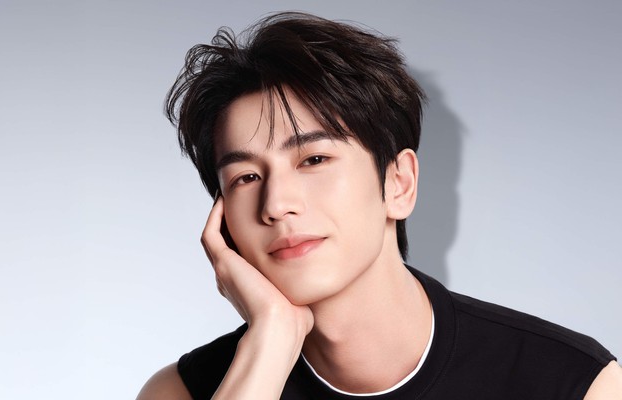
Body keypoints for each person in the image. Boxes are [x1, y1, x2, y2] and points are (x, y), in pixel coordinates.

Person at [137, 12, 622, 399]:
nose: (277, 205)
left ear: (399, 183)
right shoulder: (183, 391)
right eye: (246, 177)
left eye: (313, 159)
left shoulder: (574, 384)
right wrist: (272, 338)